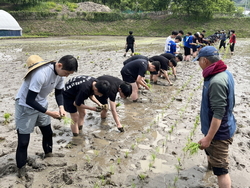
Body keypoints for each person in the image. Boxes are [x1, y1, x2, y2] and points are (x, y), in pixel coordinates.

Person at [15, 55, 78, 178]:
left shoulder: (60, 74)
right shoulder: (41, 74)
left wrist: (61, 107)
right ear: (59, 65)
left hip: (41, 103)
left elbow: (59, 92)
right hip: (25, 106)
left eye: (69, 74)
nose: (66, 76)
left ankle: (48, 154)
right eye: (66, 73)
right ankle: (21, 169)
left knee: (48, 132)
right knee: (23, 141)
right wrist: (50, 113)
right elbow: (30, 100)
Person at [193, 46, 236, 188]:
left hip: (219, 132)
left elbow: (219, 113)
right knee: (210, 153)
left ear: (205, 60)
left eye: (198, 60)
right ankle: (209, 169)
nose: (198, 63)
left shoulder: (216, 81)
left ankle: (215, 171)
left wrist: (209, 138)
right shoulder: (224, 72)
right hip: (215, 127)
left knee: (221, 170)